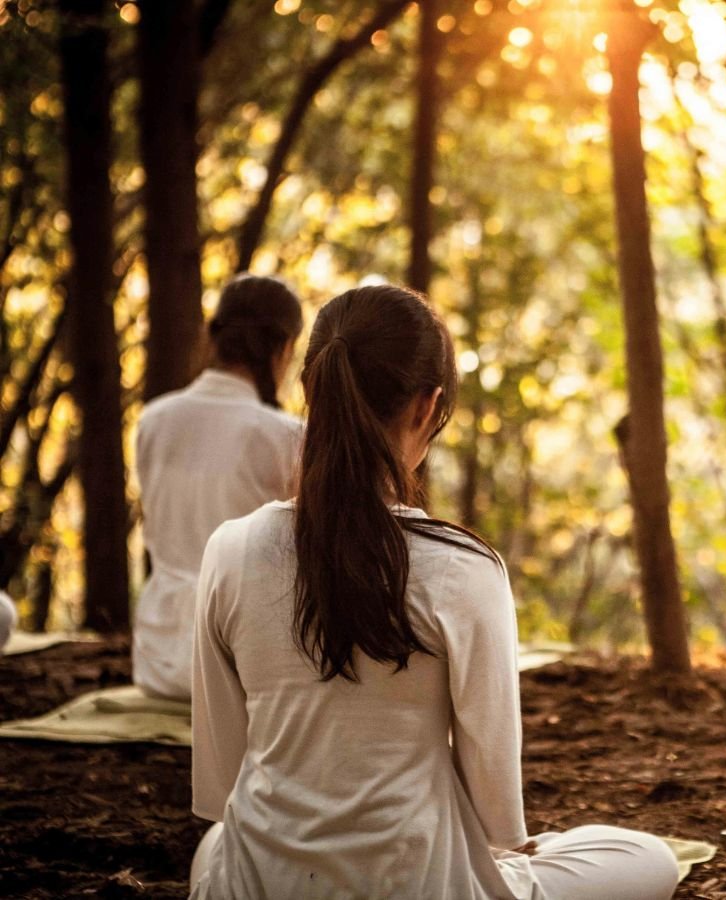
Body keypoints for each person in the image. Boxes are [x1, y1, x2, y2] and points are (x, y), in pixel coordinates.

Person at [189, 285, 679, 899]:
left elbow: (222, 783)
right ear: (428, 406)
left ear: (311, 391)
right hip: (419, 885)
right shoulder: (463, 567)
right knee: (647, 857)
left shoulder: (229, 549)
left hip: (261, 885)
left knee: (215, 846)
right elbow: (499, 816)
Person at [132, 274, 304, 701]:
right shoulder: (284, 436)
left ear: (213, 336)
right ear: (283, 348)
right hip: (242, 665)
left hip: (157, 658)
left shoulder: (153, 420)